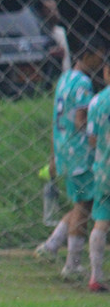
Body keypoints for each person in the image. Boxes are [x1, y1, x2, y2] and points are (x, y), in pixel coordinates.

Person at [34, 37, 106, 280]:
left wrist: (54, 154)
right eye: (100, 55)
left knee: (81, 203)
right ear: (89, 55)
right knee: (85, 207)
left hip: (64, 149)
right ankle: (72, 264)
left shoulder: (64, 78)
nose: (102, 61)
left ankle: (52, 245)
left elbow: (58, 118)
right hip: (81, 152)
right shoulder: (84, 83)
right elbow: (80, 119)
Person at [85, 57, 110, 292]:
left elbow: (91, 138)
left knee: (101, 221)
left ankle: (95, 277)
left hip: (103, 168)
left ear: (106, 73)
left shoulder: (97, 101)